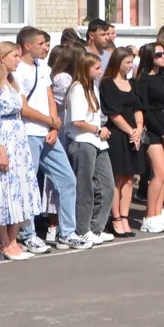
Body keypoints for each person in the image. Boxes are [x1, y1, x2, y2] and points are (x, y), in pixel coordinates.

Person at [13, 26, 78, 252]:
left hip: (48, 134)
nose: (45, 47)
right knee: (28, 183)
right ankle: (27, 234)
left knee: (67, 179)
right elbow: (23, 107)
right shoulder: (17, 70)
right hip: (28, 133)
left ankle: (67, 232)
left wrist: (53, 125)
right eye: (40, 44)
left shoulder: (43, 67)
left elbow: (49, 96)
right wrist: (49, 121)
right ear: (27, 45)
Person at [0, 42, 41, 260]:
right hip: (3, 139)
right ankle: (4, 242)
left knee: (19, 188)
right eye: (14, 56)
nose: (18, 60)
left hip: (18, 139)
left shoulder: (12, 83)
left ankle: (14, 240)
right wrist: (0, 149)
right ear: (2, 58)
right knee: (2, 189)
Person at [62, 52, 111, 248]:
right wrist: (98, 130)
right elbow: (77, 121)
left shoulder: (93, 87)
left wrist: (100, 131)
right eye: (96, 68)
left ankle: (95, 226)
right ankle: (82, 229)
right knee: (85, 188)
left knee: (107, 186)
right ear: (85, 68)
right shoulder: (77, 89)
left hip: (97, 142)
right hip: (82, 141)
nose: (100, 71)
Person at [99, 46, 146, 235]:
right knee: (117, 178)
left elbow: (138, 108)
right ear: (117, 62)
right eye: (127, 62)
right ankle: (116, 217)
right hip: (118, 135)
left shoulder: (132, 83)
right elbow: (113, 114)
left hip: (134, 134)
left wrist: (139, 129)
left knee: (129, 178)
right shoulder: (108, 84)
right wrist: (130, 131)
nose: (130, 66)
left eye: (131, 62)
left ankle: (125, 216)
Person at [138, 41, 164, 233]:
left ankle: (158, 211)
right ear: (149, 58)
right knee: (159, 173)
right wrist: (162, 132)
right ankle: (149, 216)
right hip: (153, 132)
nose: (163, 57)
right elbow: (145, 111)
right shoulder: (143, 80)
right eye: (158, 55)